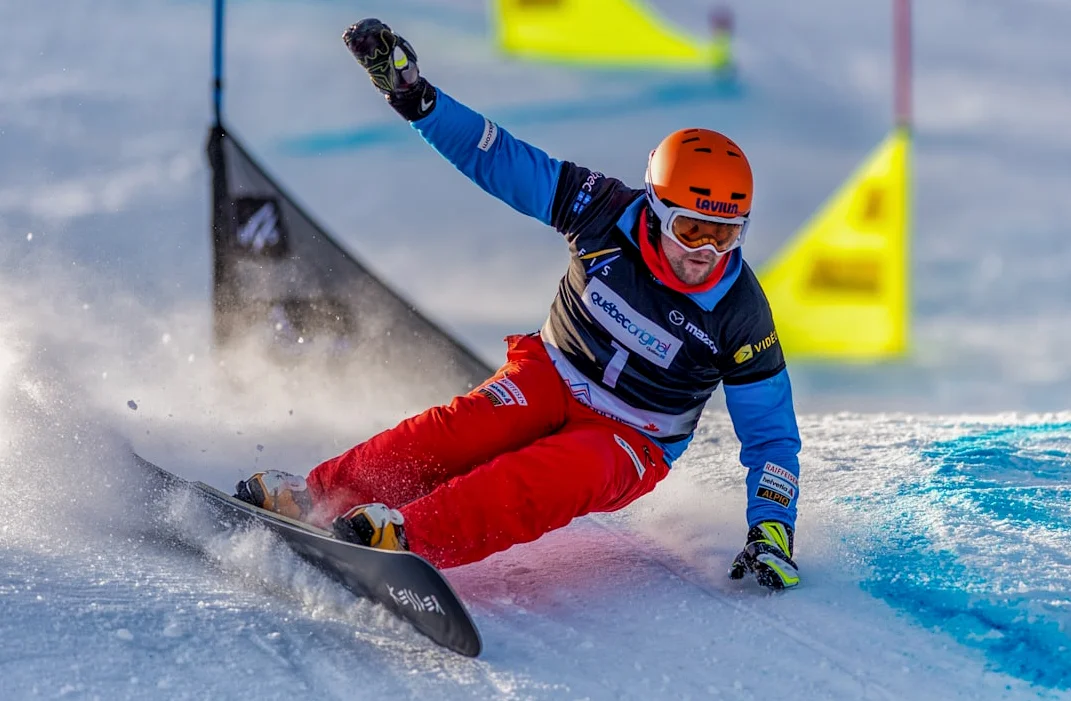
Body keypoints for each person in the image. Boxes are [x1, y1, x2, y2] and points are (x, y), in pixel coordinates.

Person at [236, 18, 802, 590]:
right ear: (655, 209)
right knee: (461, 432)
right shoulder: (600, 209)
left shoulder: (739, 310)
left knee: (544, 477)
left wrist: (772, 532)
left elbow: (771, 434)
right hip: (551, 373)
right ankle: (318, 496)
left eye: (725, 235)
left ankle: (408, 538)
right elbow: (503, 159)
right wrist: (416, 98)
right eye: (690, 229)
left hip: (634, 436)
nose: (705, 252)